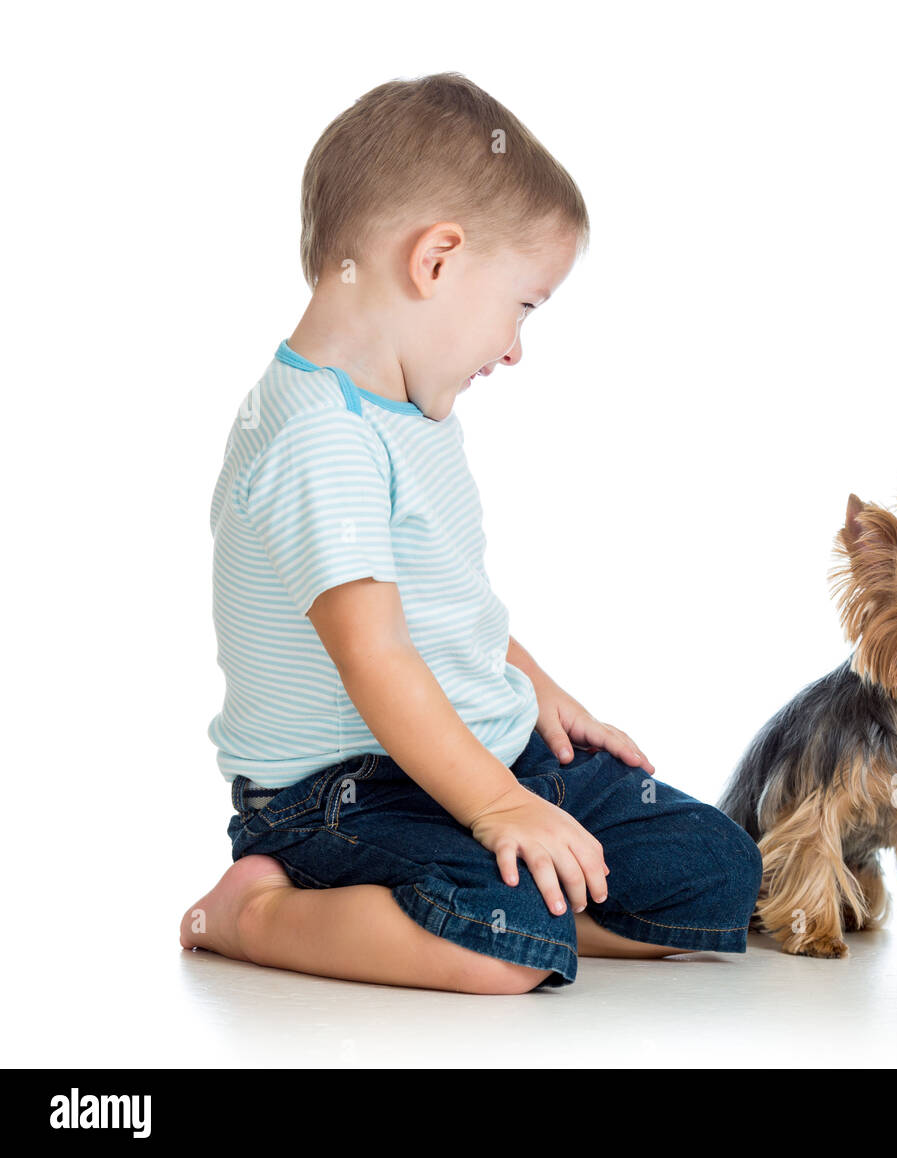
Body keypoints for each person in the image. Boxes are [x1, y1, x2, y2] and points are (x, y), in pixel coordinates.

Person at [179, 72, 763, 993]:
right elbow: (378, 662)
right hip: (347, 792)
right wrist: (496, 808)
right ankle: (258, 913)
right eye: (523, 306)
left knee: (718, 873)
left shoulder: (409, 409)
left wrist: (538, 691)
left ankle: (529, 917)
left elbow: (445, 607)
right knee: (503, 948)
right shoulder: (320, 440)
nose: (516, 347)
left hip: (481, 749)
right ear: (437, 260)